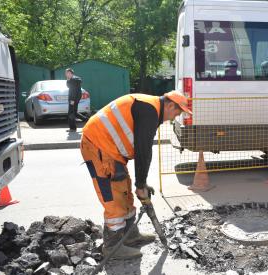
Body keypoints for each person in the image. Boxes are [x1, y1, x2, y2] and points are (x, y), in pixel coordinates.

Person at [80, 91, 191, 259]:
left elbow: (143, 150)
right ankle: (113, 248)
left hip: (111, 151)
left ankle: (130, 235)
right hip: (98, 145)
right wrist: (141, 185)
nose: (175, 117)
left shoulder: (150, 107)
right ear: (169, 105)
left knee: (124, 191)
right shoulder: (149, 110)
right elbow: (143, 152)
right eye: (177, 112)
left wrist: (141, 184)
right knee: (114, 198)